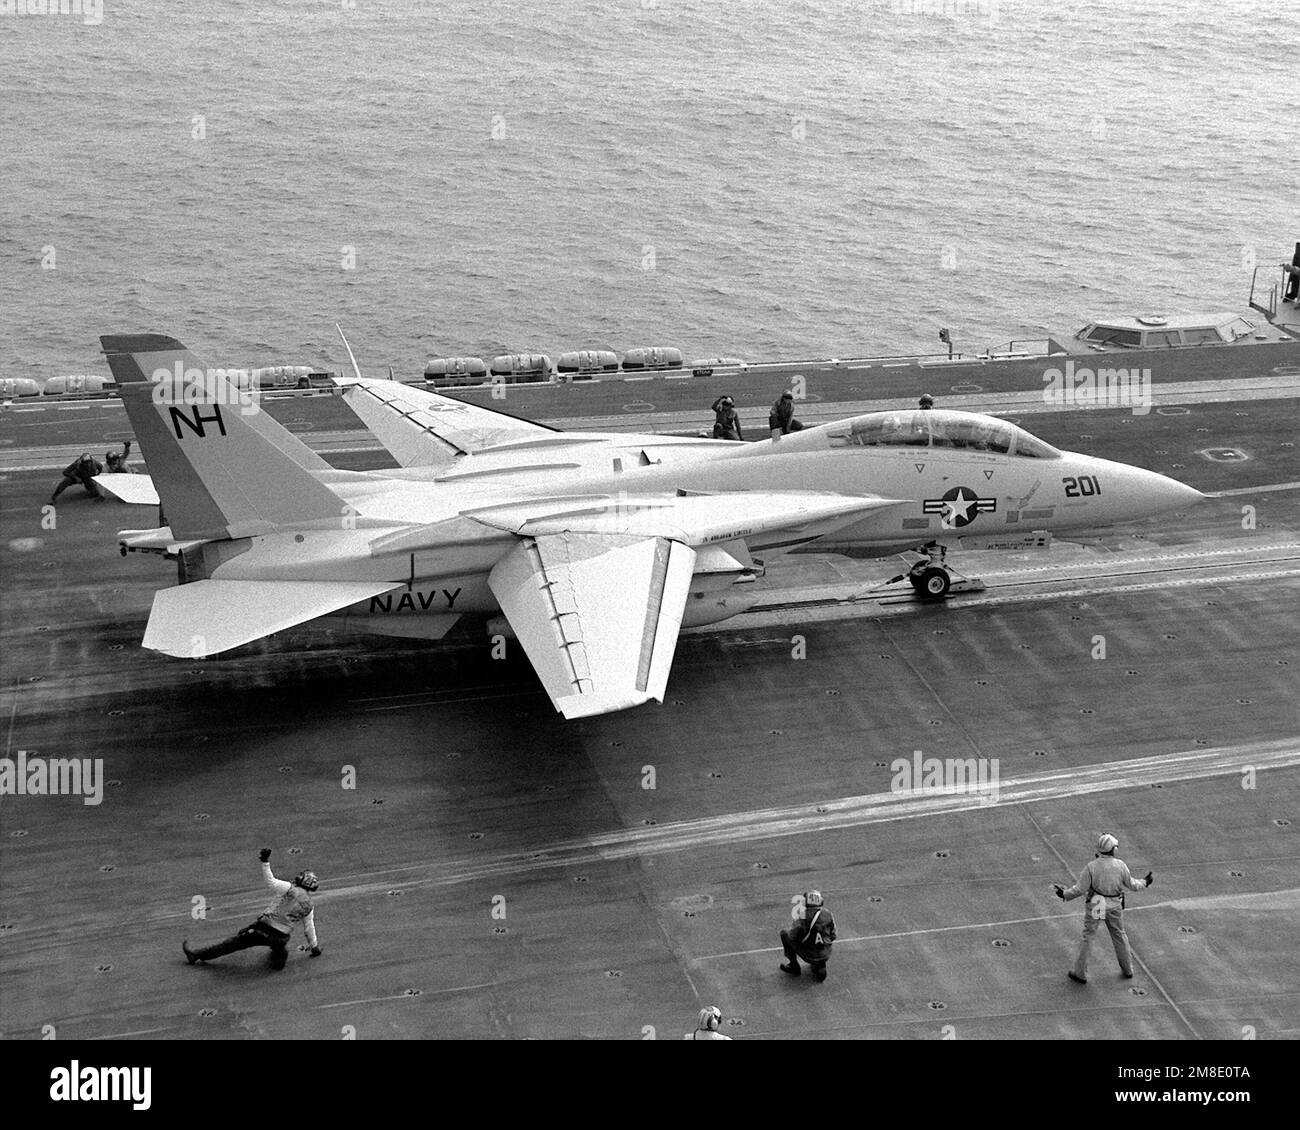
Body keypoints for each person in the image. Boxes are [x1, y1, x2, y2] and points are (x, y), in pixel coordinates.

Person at [183, 848, 322, 970]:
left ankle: (196, 955)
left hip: (263, 929)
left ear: (302, 881)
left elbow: (271, 881)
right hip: (281, 937)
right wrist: (314, 947)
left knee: (230, 944)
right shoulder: (309, 905)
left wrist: (265, 862)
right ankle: (279, 954)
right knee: (278, 947)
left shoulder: (290, 889)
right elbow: (309, 928)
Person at [1054, 833, 1152, 984]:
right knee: (1119, 935)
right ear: (1113, 850)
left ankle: (1080, 972)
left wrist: (1065, 894)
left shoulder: (1091, 867)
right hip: (1114, 903)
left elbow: (1080, 889)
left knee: (1089, 936)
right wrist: (1145, 882)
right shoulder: (1120, 865)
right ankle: (1128, 969)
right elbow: (1132, 884)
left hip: (1097, 902)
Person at [780, 889, 836, 982]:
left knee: (784, 933)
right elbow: (834, 935)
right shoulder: (828, 914)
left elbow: (792, 936)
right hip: (826, 954)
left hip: (808, 955)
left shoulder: (802, 916)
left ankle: (794, 966)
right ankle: (820, 964)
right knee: (820, 946)